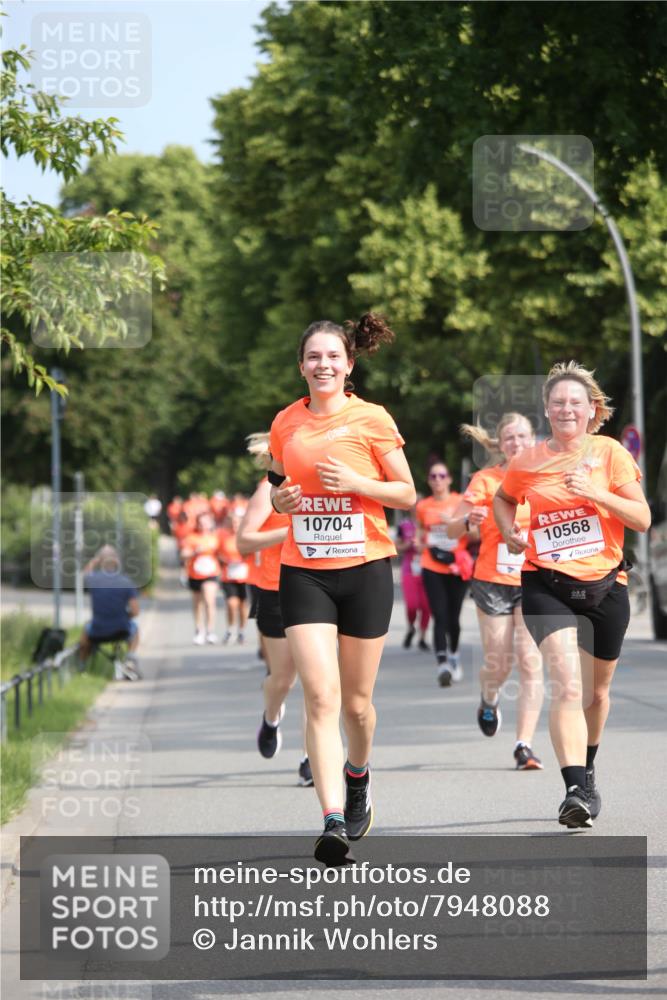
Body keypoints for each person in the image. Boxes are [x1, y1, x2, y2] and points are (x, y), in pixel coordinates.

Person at [269, 313, 416, 865]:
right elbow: (281, 489)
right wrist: (281, 503)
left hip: (365, 569)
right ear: (301, 365)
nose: (322, 364)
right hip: (304, 569)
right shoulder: (286, 423)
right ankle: (331, 817)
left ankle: (358, 775)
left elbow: (405, 493)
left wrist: (357, 484)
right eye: (313, 357)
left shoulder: (372, 418)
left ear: (348, 364)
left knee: (356, 705)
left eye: (333, 356)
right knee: (320, 697)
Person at [494, 361, 650, 828]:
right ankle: (575, 789)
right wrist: (508, 532)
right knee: (567, 682)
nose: (566, 409)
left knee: (597, 694)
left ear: (591, 410)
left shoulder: (609, 454)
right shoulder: (528, 461)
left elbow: (640, 519)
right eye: (557, 402)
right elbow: (504, 498)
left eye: (575, 403)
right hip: (546, 583)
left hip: (606, 585)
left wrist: (597, 495)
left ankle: (589, 762)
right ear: (547, 410)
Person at [447, 413, 544, 770]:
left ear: (533, 439)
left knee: (530, 659)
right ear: (500, 444)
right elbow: (450, 530)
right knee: (499, 662)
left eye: (522, 436)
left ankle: (524, 745)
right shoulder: (485, 481)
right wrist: (466, 521)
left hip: (535, 578)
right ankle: (489, 699)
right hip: (493, 581)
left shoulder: (545, 478)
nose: (516, 443)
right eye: (509, 438)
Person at [237, 432, 313, 787]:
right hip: (275, 591)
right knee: (283, 679)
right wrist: (289, 534)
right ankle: (271, 717)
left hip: (315, 589)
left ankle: (311, 758)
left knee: (317, 681)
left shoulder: (316, 486)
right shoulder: (266, 493)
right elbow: (243, 541)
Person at [417, 462, 473, 686]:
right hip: (431, 565)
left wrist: (461, 526)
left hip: (457, 565)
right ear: (429, 480)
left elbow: (474, 532)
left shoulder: (460, 502)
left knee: (453, 617)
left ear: (449, 479)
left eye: (442, 475)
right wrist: (421, 542)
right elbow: (422, 530)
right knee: (439, 615)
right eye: (433, 476)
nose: (438, 479)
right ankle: (442, 664)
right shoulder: (423, 506)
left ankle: (454, 655)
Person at [78, 545, 140, 670]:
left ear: (101, 561)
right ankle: (130, 658)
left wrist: (95, 560)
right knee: (135, 629)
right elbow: (135, 611)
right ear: (116, 561)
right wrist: (125, 617)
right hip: (121, 629)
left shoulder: (93, 580)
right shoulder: (126, 582)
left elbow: (84, 574)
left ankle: (82, 665)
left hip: (97, 630)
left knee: (86, 629)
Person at [181, 511, 221, 644]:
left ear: (211, 523)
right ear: (197, 523)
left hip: (211, 573)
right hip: (195, 573)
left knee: (210, 601)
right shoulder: (192, 537)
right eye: (201, 522)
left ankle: (210, 631)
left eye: (206, 522)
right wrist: (194, 552)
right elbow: (183, 555)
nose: (204, 525)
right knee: (197, 603)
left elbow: (223, 552)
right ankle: (199, 630)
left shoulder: (216, 536)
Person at [395, 504, 430, 650]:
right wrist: (408, 544)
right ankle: (411, 627)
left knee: (426, 606)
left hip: (428, 569)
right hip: (409, 569)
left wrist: (424, 546)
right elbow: (396, 547)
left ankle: (422, 637)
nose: (417, 509)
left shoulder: (430, 524)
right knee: (412, 605)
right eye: (415, 506)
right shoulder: (404, 525)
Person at [218, 511, 250, 644]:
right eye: (232, 523)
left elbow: (253, 552)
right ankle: (230, 630)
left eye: (237, 523)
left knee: (243, 605)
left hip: (244, 575)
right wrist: (225, 560)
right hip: (228, 575)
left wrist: (244, 559)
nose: (235, 525)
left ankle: (241, 631)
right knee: (231, 604)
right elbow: (217, 553)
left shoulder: (246, 537)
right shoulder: (223, 537)